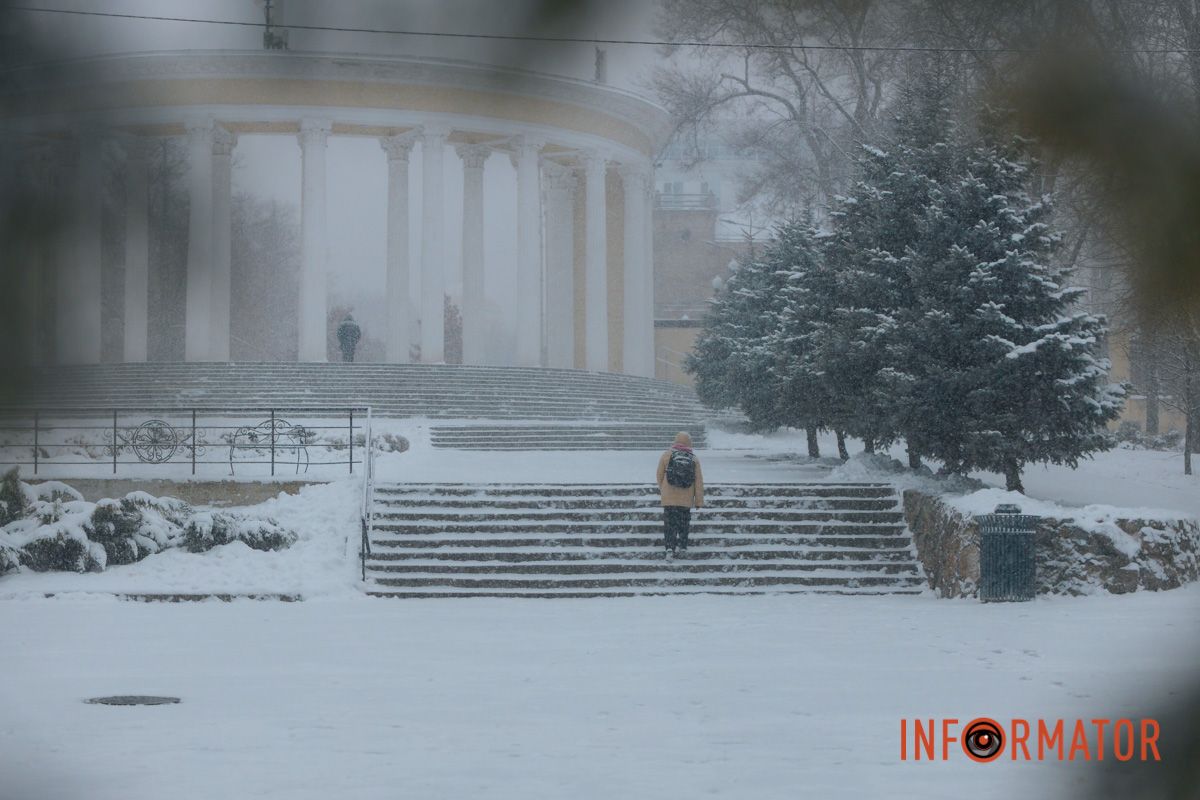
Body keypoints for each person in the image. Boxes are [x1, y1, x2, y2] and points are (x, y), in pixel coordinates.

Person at [656, 431, 704, 559]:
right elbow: (699, 481)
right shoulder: (693, 458)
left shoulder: (667, 455)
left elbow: (659, 475)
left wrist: (665, 490)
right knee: (683, 523)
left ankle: (669, 548)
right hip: (686, 499)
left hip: (669, 499)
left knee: (670, 524)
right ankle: (682, 546)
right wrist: (698, 501)